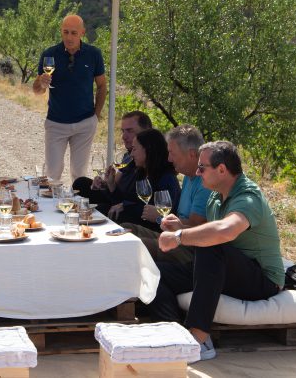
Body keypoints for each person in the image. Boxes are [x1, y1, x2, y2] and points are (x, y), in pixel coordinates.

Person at [150, 141, 284, 362]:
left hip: (263, 280)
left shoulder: (248, 196)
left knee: (213, 246)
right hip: (226, 271)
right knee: (155, 273)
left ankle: (199, 340)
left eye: (202, 167)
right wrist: (181, 228)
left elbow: (225, 231)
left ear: (221, 169)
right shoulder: (215, 194)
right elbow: (210, 232)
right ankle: (173, 334)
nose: (197, 172)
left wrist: (179, 237)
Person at [33, 14, 107, 182]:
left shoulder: (94, 54)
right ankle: (51, 207)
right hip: (56, 124)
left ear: (82, 32)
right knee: (52, 173)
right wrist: (41, 82)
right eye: (65, 32)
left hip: (85, 124)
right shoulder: (50, 54)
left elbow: (102, 85)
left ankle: (77, 207)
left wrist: (96, 115)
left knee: (79, 175)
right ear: (61, 32)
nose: (69, 37)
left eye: (74, 33)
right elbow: (37, 90)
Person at [128, 124, 210, 263]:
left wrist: (160, 218)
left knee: (132, 244)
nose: (169, 159)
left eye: (172, 153)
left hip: (189, 248)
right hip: (175, 237)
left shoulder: (205, 184)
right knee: (126, 229)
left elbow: (195, 226)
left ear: (191, 154)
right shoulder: (188, 178)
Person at [73, 111, 152, 213]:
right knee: (81, 183)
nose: (123, 136)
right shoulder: (128, 155)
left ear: (147, 131)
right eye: (123, 131)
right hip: (117, 197)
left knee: (101, 208)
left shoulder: (149, 158)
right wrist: (103, 184)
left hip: (127, 204)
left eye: (129, 131)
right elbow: (114, 183)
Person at [106, 129, 181, 229]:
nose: (131, 154)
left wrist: (126, 206)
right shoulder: (142, 173)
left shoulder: (166, 178)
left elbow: (161, 215)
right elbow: (121, 204)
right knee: (108, 211)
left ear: (148, 149)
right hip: (142, 222)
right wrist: (111, 185)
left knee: (118, 216)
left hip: (157, 228)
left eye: (135, 149)